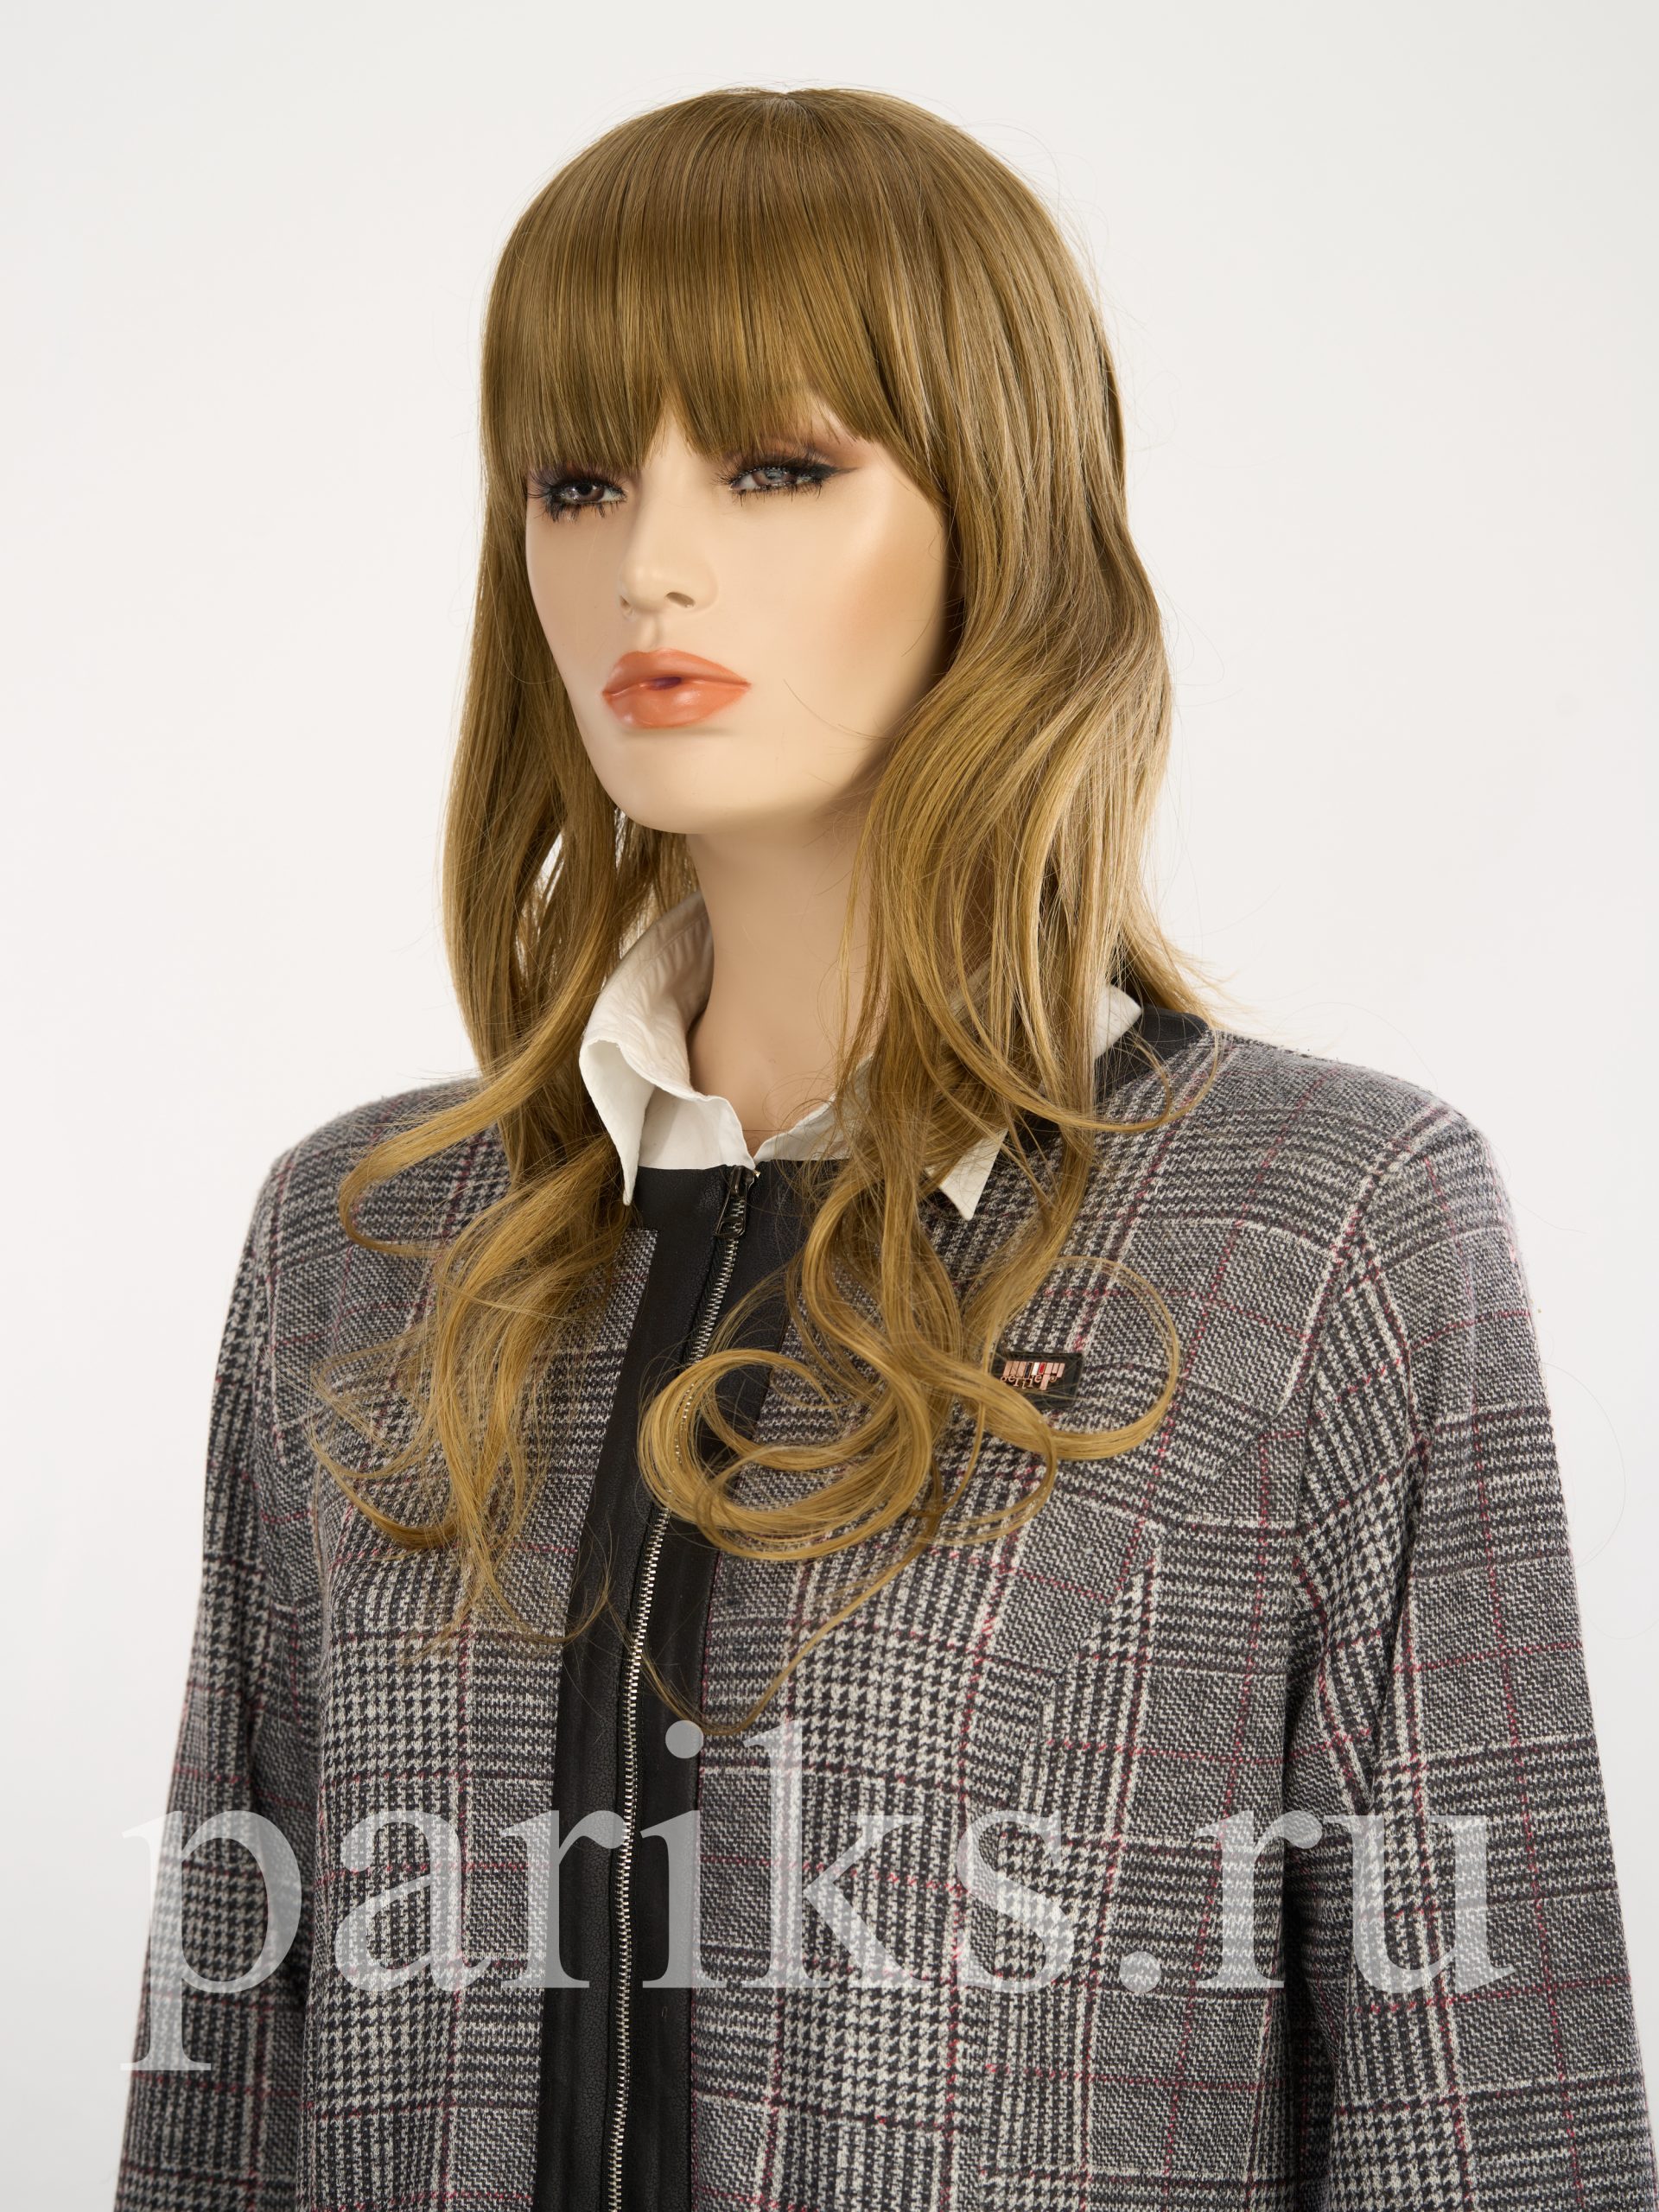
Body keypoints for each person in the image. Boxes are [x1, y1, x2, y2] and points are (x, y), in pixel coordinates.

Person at [114, 84, 1656, 2211]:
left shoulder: (1317, 1227)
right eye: (579, 478)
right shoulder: (365, 1242)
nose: (648, 562)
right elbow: (224, 2072)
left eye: (777, 466)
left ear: (994, 518)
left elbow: (1491, 2115)